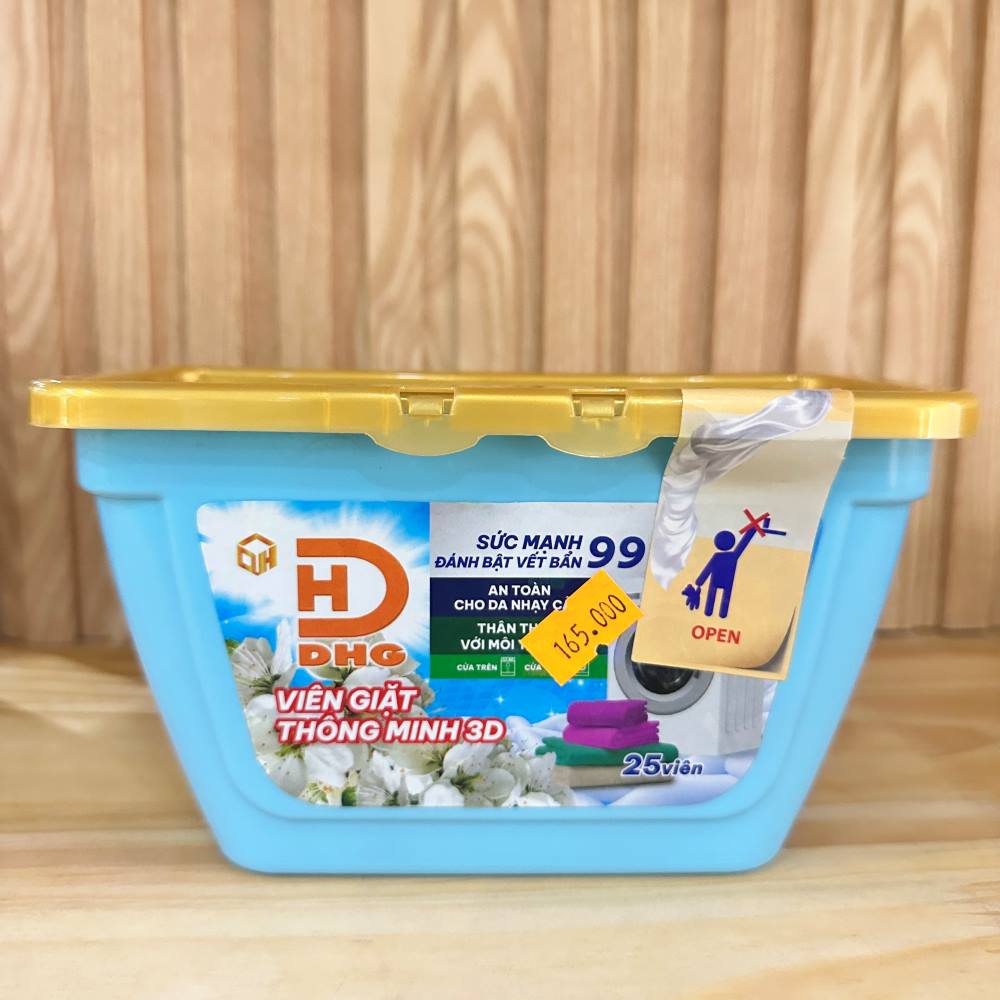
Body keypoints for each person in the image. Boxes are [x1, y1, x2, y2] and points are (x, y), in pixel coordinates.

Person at [692, 519, 762, 619]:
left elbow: (708, 569)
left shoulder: (717, 556)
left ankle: (709, 611)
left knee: (713, 596)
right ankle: (721, 613)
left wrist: (700, 581)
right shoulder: (733, 556)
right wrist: (751, 531)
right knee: (724, 596)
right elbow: (742, 546)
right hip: (727, 581)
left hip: (716, 580)